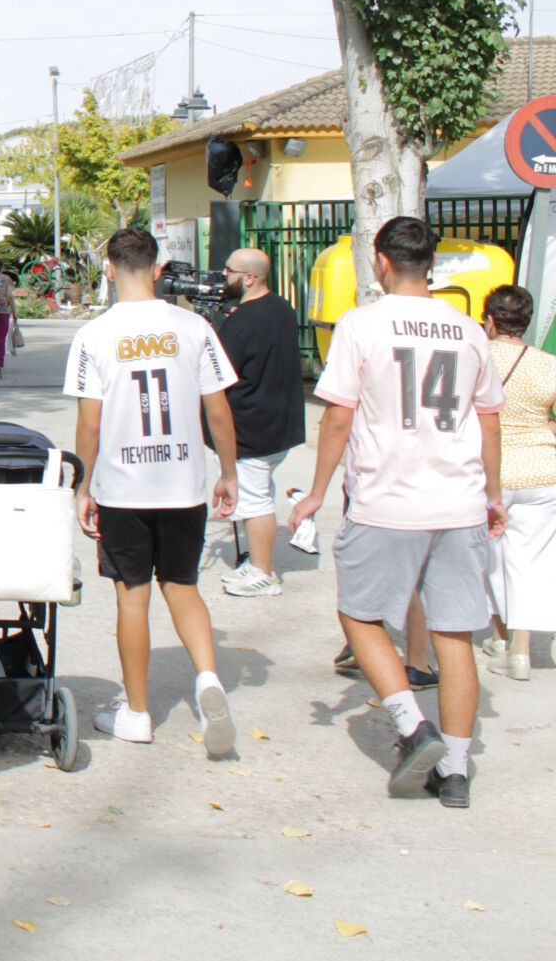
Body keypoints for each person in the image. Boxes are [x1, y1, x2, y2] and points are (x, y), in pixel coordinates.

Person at [290, 217, 505, 808]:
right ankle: (457, 771)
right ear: (430, 264)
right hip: (458, 499)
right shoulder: (468, 330)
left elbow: (338, 415)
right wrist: (492, 495)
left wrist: (314, 492)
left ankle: (414, 726)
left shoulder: (362, 324)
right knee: (453, 634)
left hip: (386, 498)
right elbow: (488, 421)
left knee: (359, 616)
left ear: (382, 261)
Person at [69, 227, 240, 757]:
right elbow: (218, 408)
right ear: (160, 269)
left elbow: (89, 425)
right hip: (183, 482)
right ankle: (208, 679)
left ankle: (137, 713)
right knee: (184, 586)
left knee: (132, 597)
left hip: (124, 487)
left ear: (109, 269)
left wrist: (83, 484)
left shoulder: (94, 336)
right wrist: (228, 473)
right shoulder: (194, 327)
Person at [201, 248, 307, 598]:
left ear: (249, 278)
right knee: (259, 492)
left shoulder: (242, 322)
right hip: (279, 423)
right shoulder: (282, 308)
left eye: (228, 271)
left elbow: (218, 373)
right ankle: (258, 563)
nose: (223, 277)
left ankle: (263, 572)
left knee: (254, 499)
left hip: (252, 426)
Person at [481, 284, 555, 683]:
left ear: (490, 320)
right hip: (544, 474)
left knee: (492, 558)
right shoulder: (549, 364)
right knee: (528, 561)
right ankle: (521, 651)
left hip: (492, 473)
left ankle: (500, 635)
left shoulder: (476, 358)